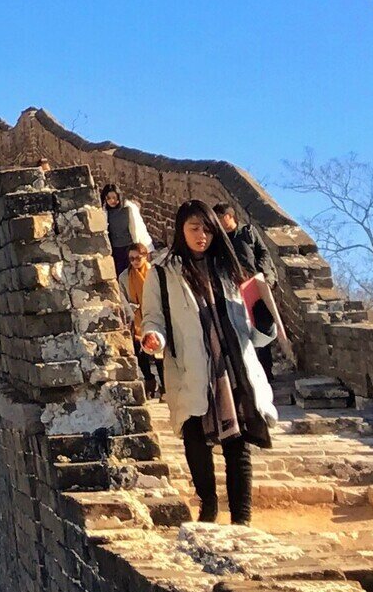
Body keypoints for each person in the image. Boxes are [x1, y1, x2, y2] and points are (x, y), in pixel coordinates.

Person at [141, 199, 278, 526]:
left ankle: (242, 519)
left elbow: (254, 331)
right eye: (194, 228)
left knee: (239, 443)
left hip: (234, 366)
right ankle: (209, 505)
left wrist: (265, 324)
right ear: (181, 230)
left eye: (207, 229)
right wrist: (153, 338)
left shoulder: (232, 269)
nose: (201, 235)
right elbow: (153, 319)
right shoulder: (163, 274)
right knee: (195, 440)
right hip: (192, 367)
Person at [212, 200, 281, 380]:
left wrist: (263, 275)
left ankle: (266, 370)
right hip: (232, 289)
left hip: (253, 286)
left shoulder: (247, 232)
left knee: (260, 326)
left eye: (220, 218)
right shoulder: (218, 240)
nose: (218, 222)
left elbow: (263, 253)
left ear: (229, 216)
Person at [119, 242, 164, 397]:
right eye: (131, 259)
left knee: (158, 352)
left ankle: (164, 386)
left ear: (145, 256)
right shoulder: (124, 276)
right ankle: (149, 380)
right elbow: (122, 298)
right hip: (136, 319)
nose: (135, 262)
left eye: (138, 258)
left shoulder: (154, 273)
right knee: (141, 352)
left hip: (155, 315)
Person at [101, 184, 150, 269]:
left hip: (130, 248)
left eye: (114, 197)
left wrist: (146, 248)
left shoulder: (128, 209)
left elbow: (139, 229)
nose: (112, 200)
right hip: (115, 250)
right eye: (108, 198)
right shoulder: (104, 212)